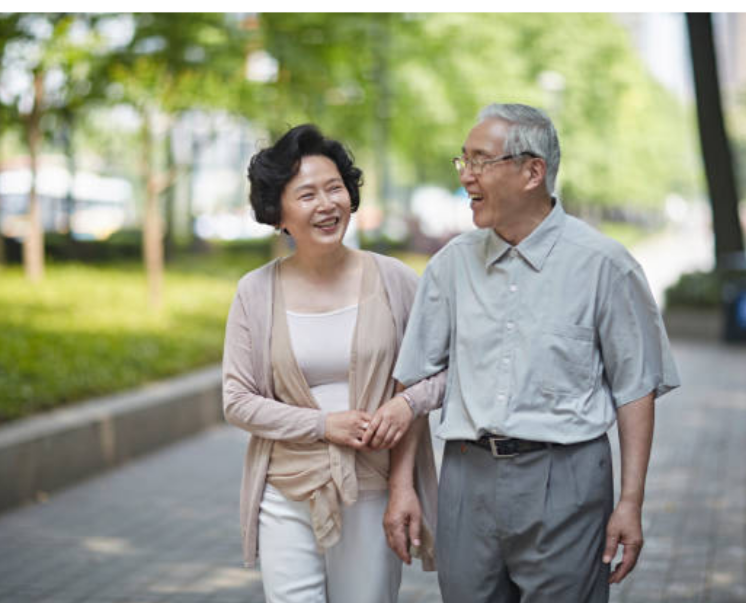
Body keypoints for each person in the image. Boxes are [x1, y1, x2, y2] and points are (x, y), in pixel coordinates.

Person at [384, 103, 681, 603]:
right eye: (463, 160)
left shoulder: (604, 266)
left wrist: (631, 502)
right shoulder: (449, 267)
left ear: (532, 172)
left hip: (568, 480)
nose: (466, 175)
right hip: (466, 477)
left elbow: (635, 390)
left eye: (481, 161)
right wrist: (401, 487)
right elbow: (414, 378)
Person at [221, 124, 441, 603]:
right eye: (307, 195)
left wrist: (405, 411)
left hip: (372, 489)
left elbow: (437, 372)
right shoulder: (255, 292)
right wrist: (324, 425)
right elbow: (237, 401)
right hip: (286, 490)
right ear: (278, 212)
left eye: (334, 188)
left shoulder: (395, 280)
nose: (326, 204)